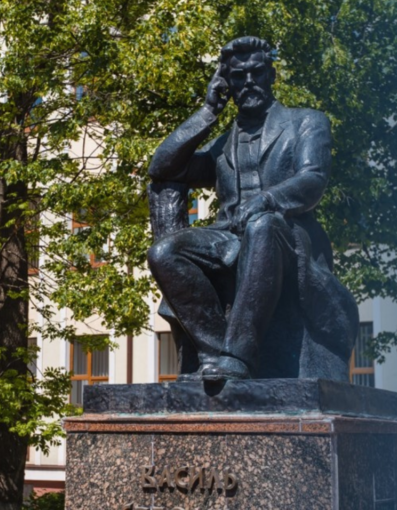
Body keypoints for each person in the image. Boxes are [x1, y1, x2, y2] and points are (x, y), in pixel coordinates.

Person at [147, 36, 355, 381]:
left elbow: (312, 179)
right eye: (238, 76)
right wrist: (207, 112)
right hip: (230, 237)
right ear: (226, 84)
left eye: (256, 73)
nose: (248, 82)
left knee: (263, 224)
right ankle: (215, 351)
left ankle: (239, 356)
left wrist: (267, 200)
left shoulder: (306, 122)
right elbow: (162, 168)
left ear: (271, 75)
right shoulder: (223, 144)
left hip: (288, 237)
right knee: (164, 252)